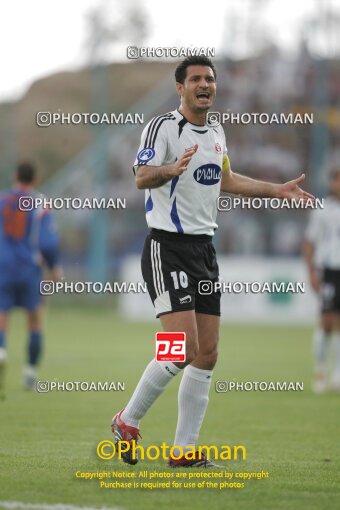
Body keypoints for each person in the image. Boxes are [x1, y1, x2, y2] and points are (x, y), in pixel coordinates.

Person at [111, 56, 314, 467]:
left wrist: (277, 190)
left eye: (210, 79)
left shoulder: (217, 130)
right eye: (196, 79)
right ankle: (126, 421)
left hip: (204, 249)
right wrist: (170, 168)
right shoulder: (164, 127)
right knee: (181, 346)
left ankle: (183, 452)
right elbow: (141, 176)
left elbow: (226, 179)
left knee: (208, 353)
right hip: (167, 247)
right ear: (180, 88)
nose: (204, 84)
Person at [0, 162, 61, 395]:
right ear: (35, 179)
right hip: (29, 269)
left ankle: (1, 352)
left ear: (15, 176)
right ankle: (29, 373)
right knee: (34, 320)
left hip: (3, 266)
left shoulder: (2, 201)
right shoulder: (40, 204)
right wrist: (54, 266)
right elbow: (48, 242)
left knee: (2, 317)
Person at [304, 167, 340, 394]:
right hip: (329, 269)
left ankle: (337, 374)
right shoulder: (322, 210)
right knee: (327, 322)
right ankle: (320, 372)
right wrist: (311, 272)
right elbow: (309, 242)